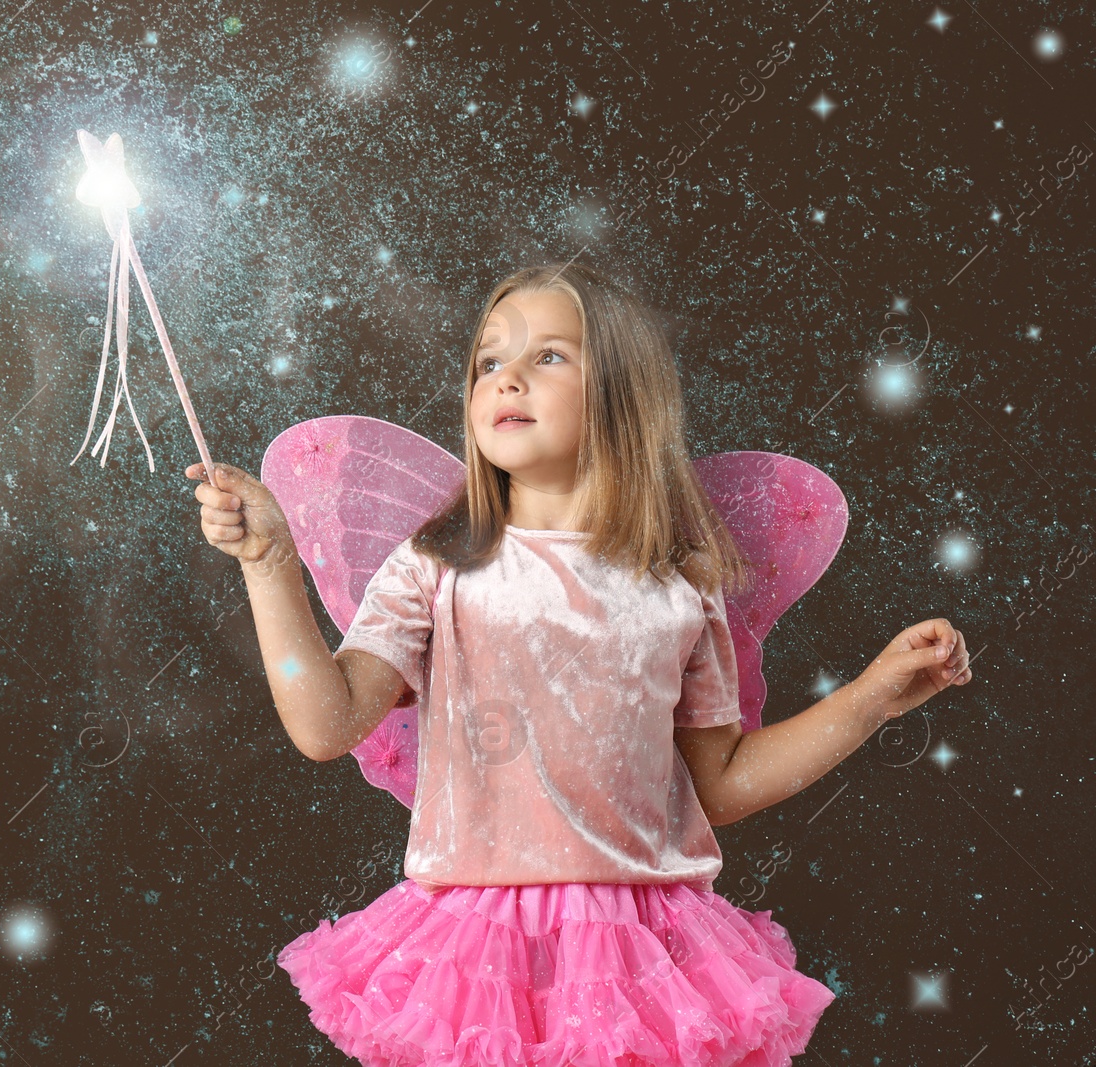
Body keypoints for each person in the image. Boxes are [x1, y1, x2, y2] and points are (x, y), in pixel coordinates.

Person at [184, 262, 972, 1066]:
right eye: (489, 361)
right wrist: (270, 561)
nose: (508, 378)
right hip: (477, 954)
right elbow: (327, 722)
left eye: (548, 356)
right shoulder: (436, 566)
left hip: (651, 953)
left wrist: (872, 698)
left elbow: (724, 781)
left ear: (623, 396)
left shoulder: (681, 582)